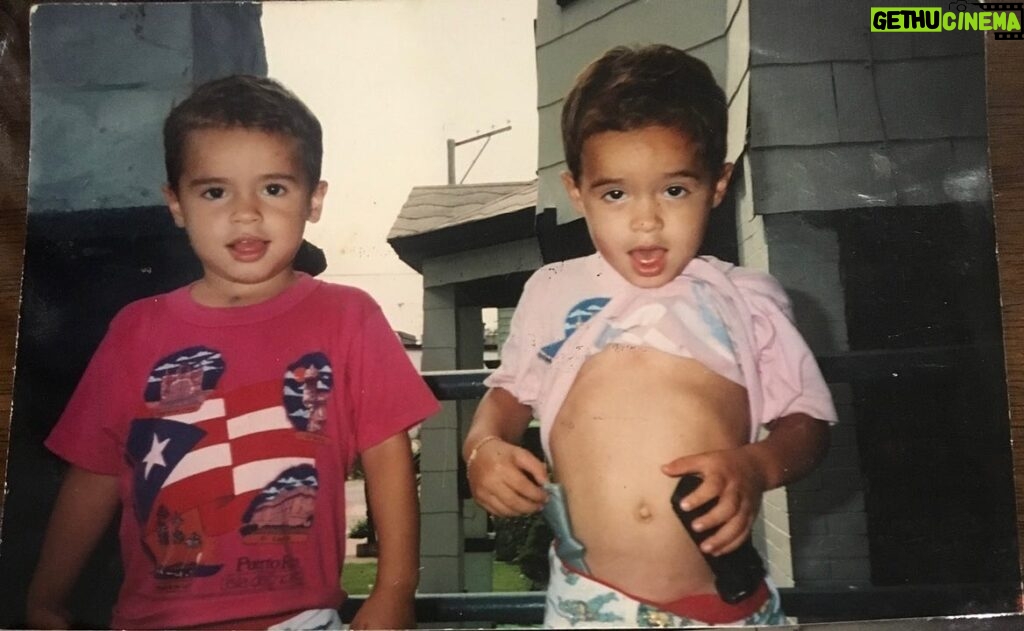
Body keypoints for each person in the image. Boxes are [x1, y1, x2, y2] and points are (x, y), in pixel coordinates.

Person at [26, 75, 439, 630]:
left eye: (272, 189)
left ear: (314, 199)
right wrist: (46, 600)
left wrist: (394, 590)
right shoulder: (137, 329)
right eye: (215, 191)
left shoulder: (349, 317)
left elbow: (388, 456)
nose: (245, 214)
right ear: (176, 203)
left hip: (300, 618)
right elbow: (94, 474)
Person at [463, 45, 837, 628]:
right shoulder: (552, 292)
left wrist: (756, 467)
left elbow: (808, 424)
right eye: (616, 194)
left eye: (673, 191)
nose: (645, 220)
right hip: (588, 603)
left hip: (720, 604)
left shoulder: (745, 301)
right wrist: (483, 448)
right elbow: (509, 395)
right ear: (577, 192)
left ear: (717, 185)